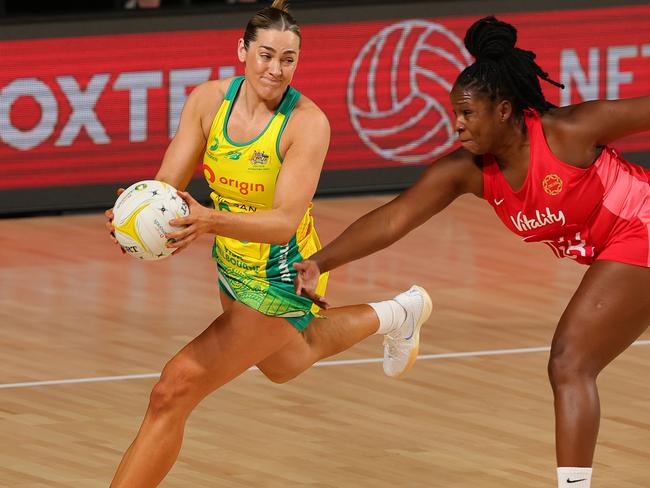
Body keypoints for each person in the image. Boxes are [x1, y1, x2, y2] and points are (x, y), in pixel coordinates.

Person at [293, 15, 650, 488]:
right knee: (572, 364)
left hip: (640, 226)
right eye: (454, 115)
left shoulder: (570, 129)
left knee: (570, 363)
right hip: (619, 246)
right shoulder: (468, 171)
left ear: (503, 109)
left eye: (467, 114)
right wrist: (321, 261)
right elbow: (394, 218)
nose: (457, 125)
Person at [105, 1, 432, 486]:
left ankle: (399, 313)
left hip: (284, 274)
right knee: (286, 363)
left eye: (288, 59)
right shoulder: (207, 102)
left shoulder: (306, 124)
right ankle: (399, 312)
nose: (275, 69)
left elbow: (283, 222)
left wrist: (209, 219)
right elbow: (168, 187)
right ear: (241, 51)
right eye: (265, 55)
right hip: (233, 263)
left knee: (173, 389)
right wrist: (134, 213)